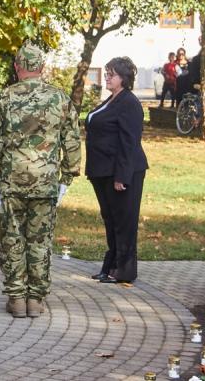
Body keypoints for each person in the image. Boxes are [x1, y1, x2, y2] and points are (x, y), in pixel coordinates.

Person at [0, 43, 81, 318]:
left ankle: (16, 298)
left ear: (17, 67)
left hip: (11, 183)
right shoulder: (60, 99)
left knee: (12, 239)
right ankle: (35, 298)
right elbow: (71, 141)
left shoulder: (3, 98)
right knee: (40, 240)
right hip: (45, 183)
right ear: (42, 68)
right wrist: (67, 178)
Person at [85, 57, 148, 284]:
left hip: (121, 172)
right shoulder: (111, 100)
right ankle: (111, 266)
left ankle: (124, 270)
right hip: (102, 171)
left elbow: (129, 143)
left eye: (111, 74)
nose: (107, 77)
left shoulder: (129, 103)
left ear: (124, 78)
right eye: (107, 73)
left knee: (124, 221)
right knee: (111, 220)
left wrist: (122, 176)